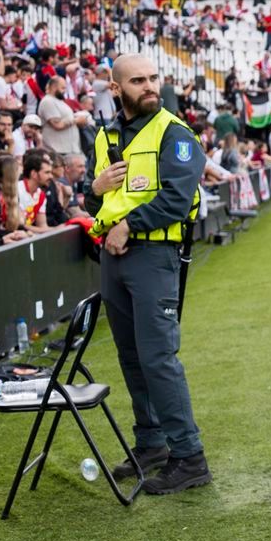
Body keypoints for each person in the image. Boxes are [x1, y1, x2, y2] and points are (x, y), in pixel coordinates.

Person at [91, 53, 210, 495]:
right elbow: (99, 203)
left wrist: (128, 225)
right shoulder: (105, 136)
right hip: (115, 256)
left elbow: (178, 200)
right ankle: (152, 443)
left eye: (153, 78)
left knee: (159, 357)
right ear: (115, 87)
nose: (149, 86)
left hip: (153, 255)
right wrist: (93, 190)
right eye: (138, 80)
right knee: (131, 356)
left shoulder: (174, 132)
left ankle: (189, 456)